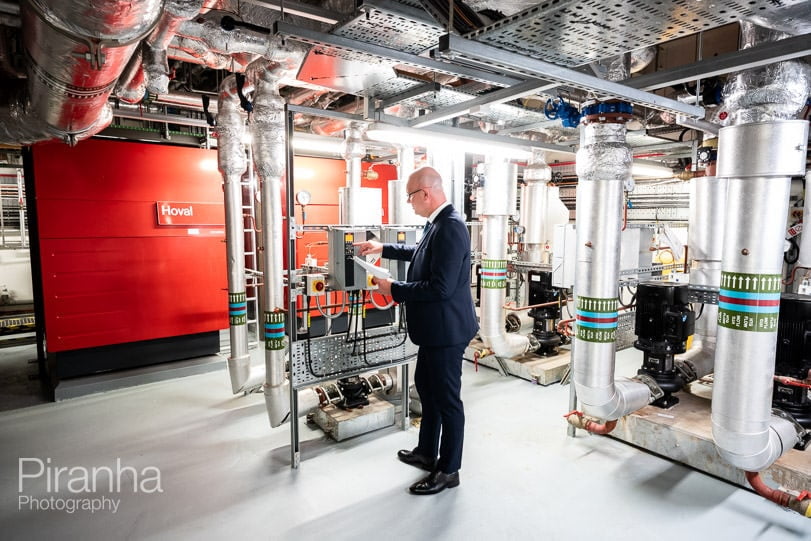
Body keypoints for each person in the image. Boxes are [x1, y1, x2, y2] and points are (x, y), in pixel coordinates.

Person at [355, 166, 478, 495]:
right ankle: (427, 452)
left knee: (447, 400)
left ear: (425, 193)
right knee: (427, 387)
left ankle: (449, 469)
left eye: (410, 196)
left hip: (447, 330)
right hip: (434, 330)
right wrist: (384, 249)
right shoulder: (437, 223)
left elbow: (439, 288)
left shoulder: (450, 227)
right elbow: (420, 253)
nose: (408, 203)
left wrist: (393, 288)